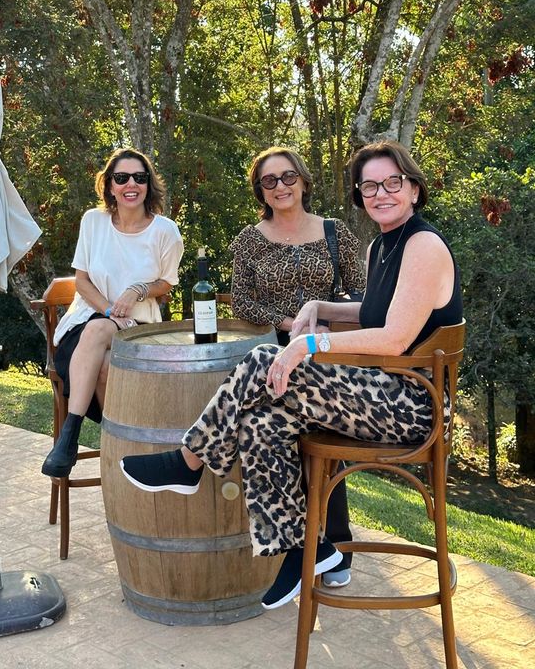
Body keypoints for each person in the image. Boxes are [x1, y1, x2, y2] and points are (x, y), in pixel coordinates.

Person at [119, 140, 463, 611]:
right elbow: (374, 312)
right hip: (382, 393)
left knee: (266, 358)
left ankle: (188, 461)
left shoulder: (423, 244)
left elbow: (394, 339)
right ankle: (307, 547)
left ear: (414, 189)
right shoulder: (385, 245)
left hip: (412, 405)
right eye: (369, 186)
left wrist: (309, 342)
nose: (381, 193)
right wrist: (318, 305)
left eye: (392, 183)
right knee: (261, 425)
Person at [229, 146, 365, 588]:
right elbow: (244, 299)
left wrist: (320, 324)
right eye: (269, 181)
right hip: (270, 348)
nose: (280, 187)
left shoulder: (334, 232)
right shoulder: (249, 240)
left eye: (288, 177)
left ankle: (335, 546)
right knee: (280, 438)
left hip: (326, 349)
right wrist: (290, 324)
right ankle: (302, 543)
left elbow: (363, 296)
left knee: (326, 442)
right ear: (260, 191)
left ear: (304, 181)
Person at [41, 148, 184, 478]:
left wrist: (138, 289)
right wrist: (108, 310)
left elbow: (166, 283)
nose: (131, 184)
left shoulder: (165, 231)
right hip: (86, 324)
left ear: (149, 184)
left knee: (103, 344)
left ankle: (71, 437)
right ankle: (121, 451)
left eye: (139, 177)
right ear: (109, 185)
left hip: (140, 328)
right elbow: (82, 280)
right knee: (100, 348)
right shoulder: (94, 221)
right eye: (122, 178)